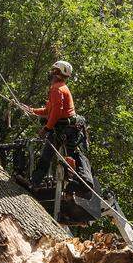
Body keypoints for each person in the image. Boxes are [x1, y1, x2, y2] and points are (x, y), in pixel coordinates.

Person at [23, 61, 99, 206]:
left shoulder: (57, 89)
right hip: (64, 129)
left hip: (66, 130)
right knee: (52, 156)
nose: (50, 73)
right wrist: (31, 110)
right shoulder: (58, 88)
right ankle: (37, 182)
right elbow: (48, 111)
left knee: (54, 157)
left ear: (57, 73)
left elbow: (56, 112)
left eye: (53, 70)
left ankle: (38, 183)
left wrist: (46, 128)